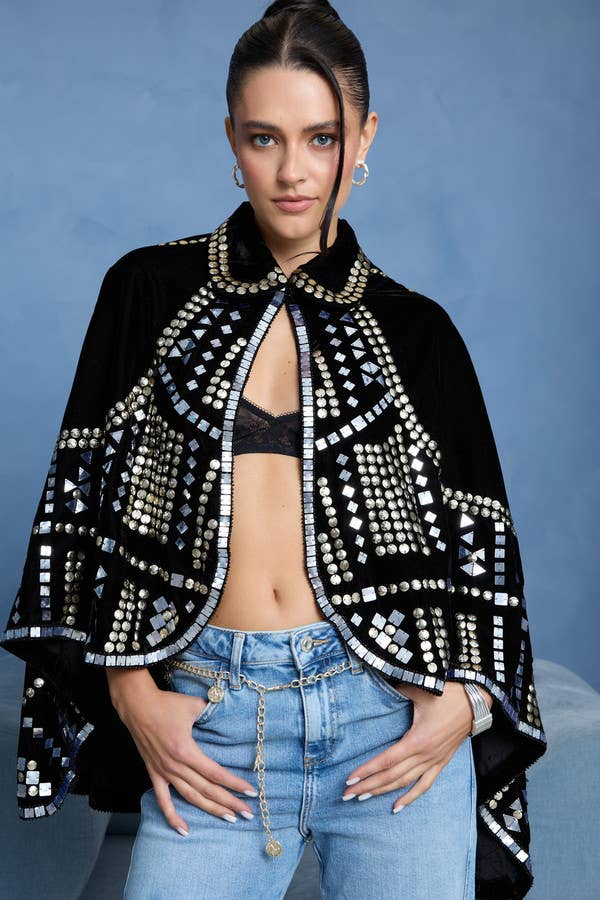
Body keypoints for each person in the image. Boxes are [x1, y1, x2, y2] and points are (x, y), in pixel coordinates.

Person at [0, 1, 548, 897]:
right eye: (265, 138)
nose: (293, 172)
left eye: (322, 138)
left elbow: (484, 552)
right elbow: (78, 516)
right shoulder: (147, 291)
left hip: (387, 725)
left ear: (364, 139)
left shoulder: (418, 333)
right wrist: (134, 696)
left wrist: (468, 703)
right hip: (214, 724)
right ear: (231, 138)